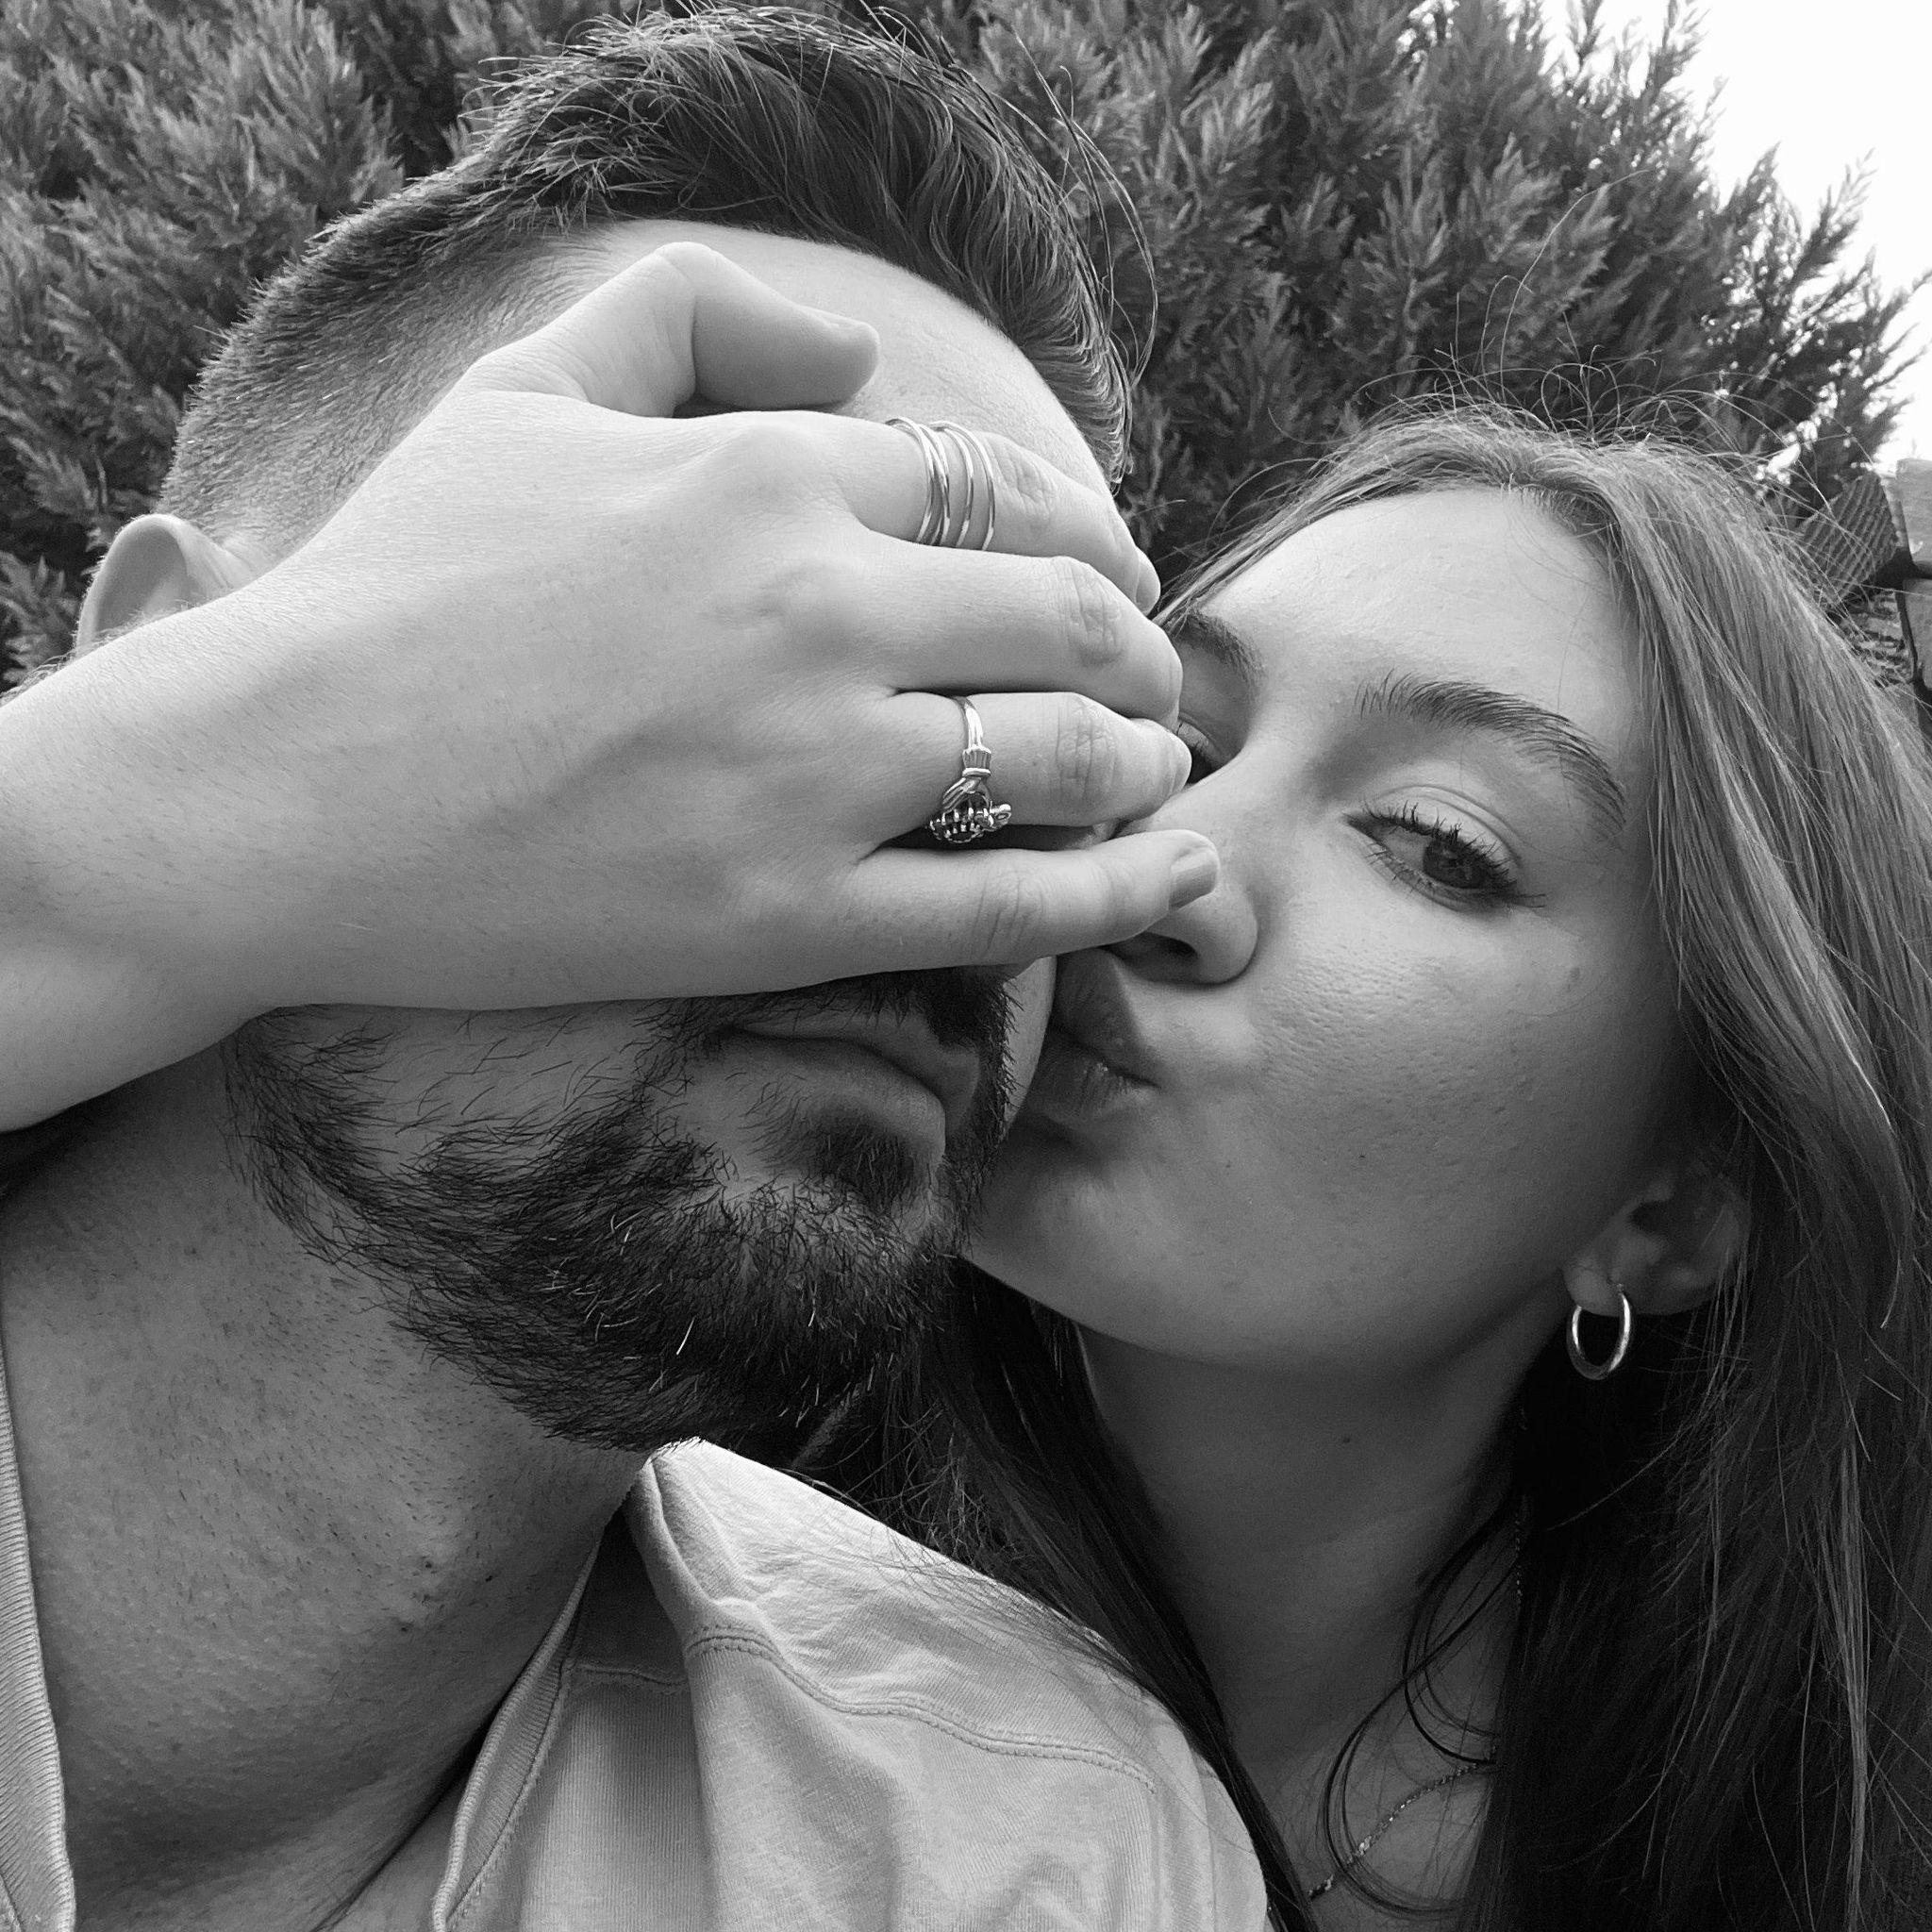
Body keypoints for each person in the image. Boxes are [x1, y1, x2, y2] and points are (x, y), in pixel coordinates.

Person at [0, 14, 1261, 1931]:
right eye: (728, 615)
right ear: (173, 657)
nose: (945, 826)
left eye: (1048, 719)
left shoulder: (1045, 1850)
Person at [834, 406, 1932, 1929]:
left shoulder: (1798, 1849)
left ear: (1670, 1213)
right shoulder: (626, 1519)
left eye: (1435, 843)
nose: (1165, 861)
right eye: (1181, 739)